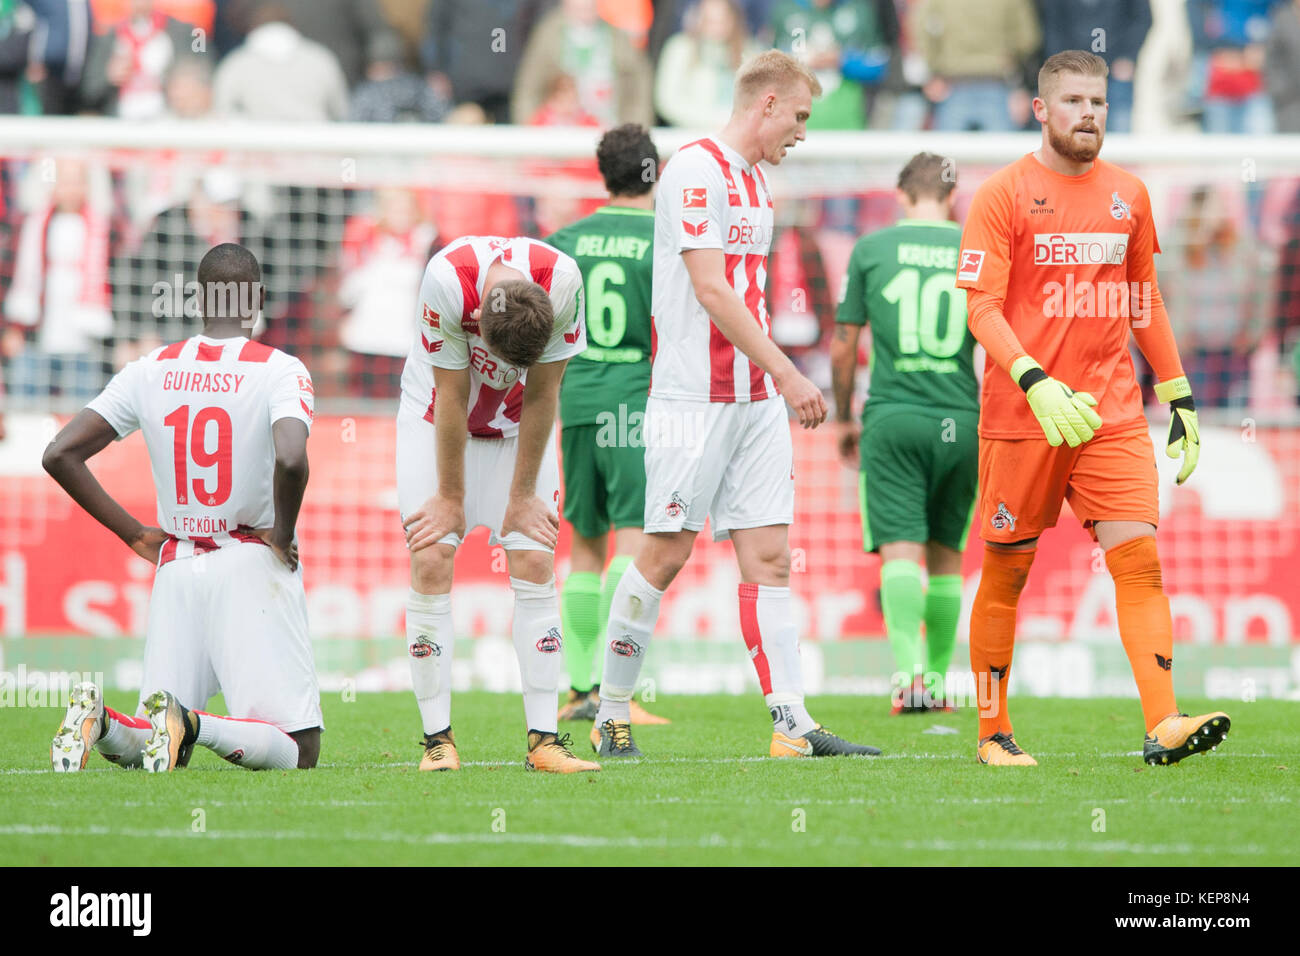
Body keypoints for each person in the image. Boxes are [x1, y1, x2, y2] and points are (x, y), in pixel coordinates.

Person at [589, 49, 880, 759]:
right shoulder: (692, 170)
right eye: (801, 117)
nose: (803, 133)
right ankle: (610, 710)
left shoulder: (755, 181)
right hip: (694, 399)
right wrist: (788, 371)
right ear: (767, 104)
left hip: (754, 400)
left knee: (773, 557)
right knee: (664, 554)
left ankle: (793, 724)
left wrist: (772, 379)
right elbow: (712, 289)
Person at [956, 49, 1228, 767]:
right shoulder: (1002, 194)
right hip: (1025, 414)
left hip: (1108, 412)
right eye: (1073, 101)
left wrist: (1177, 391)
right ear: (1041, 110)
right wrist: (1035, 380)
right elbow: (980, 308)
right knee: (1007, 572)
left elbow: (1144, 299)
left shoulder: (1130, 195)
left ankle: (1164, 723)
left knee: (1139, 563)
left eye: (1099, 103)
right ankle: (992, 732)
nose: (1088, 114)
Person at [44, 242, 323, 773]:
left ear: (197, 298)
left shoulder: (150, 369)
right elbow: (291, 459)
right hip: (247, 561)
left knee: (155, 740)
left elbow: (60, 453)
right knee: (299, 749)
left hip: (176, 564)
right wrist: (283, 533)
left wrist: (133, 533)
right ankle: (192, 723)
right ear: (258, 299)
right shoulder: (280, 370)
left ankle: (99, 720)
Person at [397, 234, 600, 773]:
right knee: (432, 555)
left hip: (518, 432)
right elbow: (453, 396)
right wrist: (449, 497)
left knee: (535, 556)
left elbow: (541, 394)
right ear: (479, 329)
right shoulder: (445, 280)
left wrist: (522, 496)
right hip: (434, 420)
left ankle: (545, 743)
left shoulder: (564, 281)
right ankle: (437, 740)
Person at [831, 151, 977, 715]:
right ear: (953, 196)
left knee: (899, 552)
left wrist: (845, 415)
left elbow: (845, 344)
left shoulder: (871, 249)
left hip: (893, 417)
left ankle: (908, 678)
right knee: (946, 556)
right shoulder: (974, 248)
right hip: (962, 419)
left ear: (901, 195)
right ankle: (937, 684)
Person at [544, 123, 668, 726]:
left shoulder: (565, 241)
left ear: (603, 175)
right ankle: (619, 695)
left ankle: (579, 688)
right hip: (635, 403)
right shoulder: (665, 238)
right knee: (636, 537)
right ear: (654, 173)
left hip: (575, 402)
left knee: (586, 547)